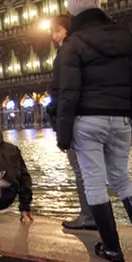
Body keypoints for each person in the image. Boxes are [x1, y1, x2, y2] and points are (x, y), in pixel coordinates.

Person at [55, 0, 132, 262]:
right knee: (122, 179)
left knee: (95, 182)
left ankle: (112, 248)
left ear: (74, 11)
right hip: (120, 119)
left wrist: (63, 135)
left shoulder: (73, 43)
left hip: (87, 121)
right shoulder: (123, 36)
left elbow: (68, 93)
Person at [46, 14, 96, 231]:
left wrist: (60, 128)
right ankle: (99, 217)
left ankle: (88, 216)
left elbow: (65, 93)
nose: (54, 36)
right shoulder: (88, 46)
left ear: (67, 29)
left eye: (57, 31)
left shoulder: (67, 52)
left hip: (76, 119)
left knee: (81, 170)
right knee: (102, 173)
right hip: (95, 115)